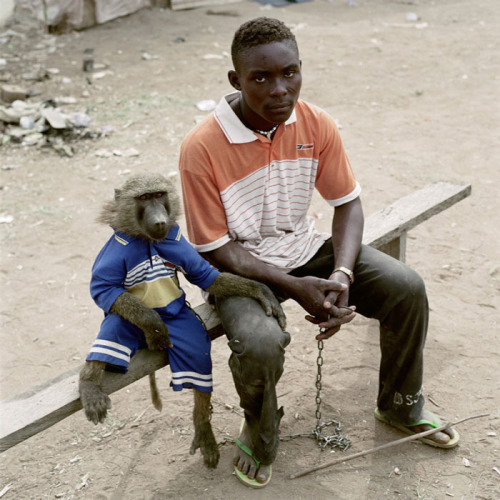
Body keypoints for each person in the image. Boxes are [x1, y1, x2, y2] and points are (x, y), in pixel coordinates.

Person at [179, 17, 459, 488]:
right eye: (261, 78)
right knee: (261, 343)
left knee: (406, 288)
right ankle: (261, 428)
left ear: (301, 69)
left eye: (289, 73)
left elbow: (347, 202)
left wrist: (344, 275)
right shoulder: (201, 147)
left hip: (306, 249)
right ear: (236, 81)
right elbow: (216, 248)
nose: (279, 90)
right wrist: (293, 286)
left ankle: (400, 404)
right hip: (241, 269)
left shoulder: (315, 124)